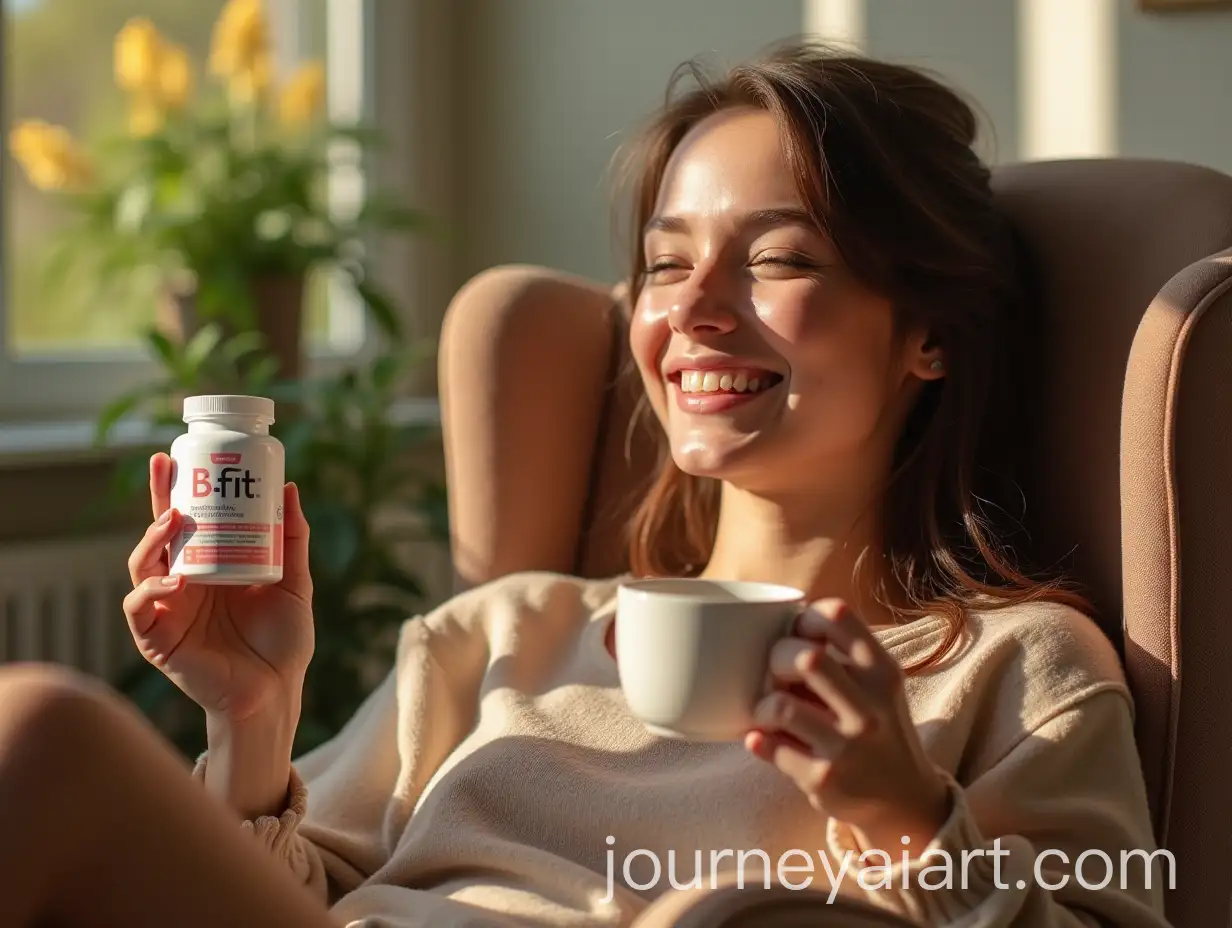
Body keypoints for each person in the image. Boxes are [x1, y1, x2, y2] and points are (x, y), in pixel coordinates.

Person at [0, 42, 1170, 928]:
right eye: (664, 264)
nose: (693, 309)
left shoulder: (1011, 669)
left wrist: (906, 817)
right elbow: (286, 900)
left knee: (39, 733)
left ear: (929, 333)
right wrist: (250, 722)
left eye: (775, 258)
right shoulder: (500, 630)